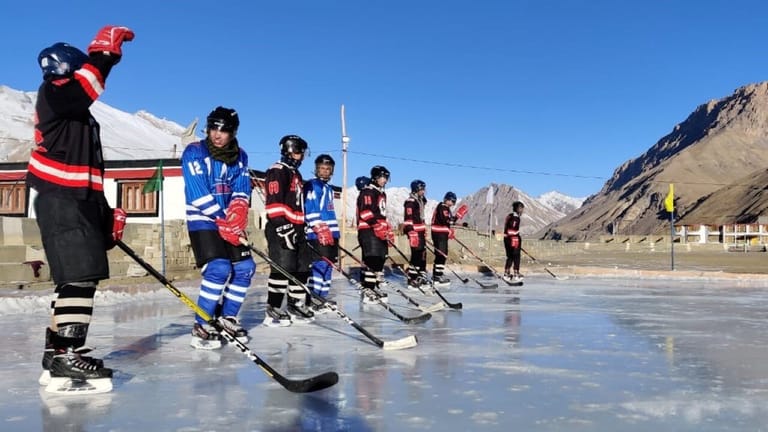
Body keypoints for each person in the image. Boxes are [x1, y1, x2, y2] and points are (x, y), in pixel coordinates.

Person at [28, 26, 134, 390]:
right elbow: (81, 92)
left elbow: (88, 171)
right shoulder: (56, 95)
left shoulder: (78, 114)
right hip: (61, 198)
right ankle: (67, 355)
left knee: (74, 277)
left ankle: (55, 351)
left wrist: (104, 216)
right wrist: (102, 56)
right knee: (80, 275)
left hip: (77, 199)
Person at [182, 106, 256, 349]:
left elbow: (242, 188)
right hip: (203, 219)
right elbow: (197, 193)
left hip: (228, 222)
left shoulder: (241, 156)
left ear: (233, 132)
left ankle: (227, 318)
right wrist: (223, 219)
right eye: (213, 127)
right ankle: (202, 324)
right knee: (219, 268)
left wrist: (237, 214)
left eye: (223, 130)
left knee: (245, 267)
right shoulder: (195, 152)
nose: (217, 134)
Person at [264, 135, 314, 326]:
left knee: (302, 267)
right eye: (300, 152)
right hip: (281, 227)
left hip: (298, 227)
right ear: (290, 150)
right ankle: (273, 308)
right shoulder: (278, 171)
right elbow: (274, 203)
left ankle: (295, 304)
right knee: (282, 268)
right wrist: (282, 227)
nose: (302, 157)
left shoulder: (295, 174)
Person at [303, 154, 340, 311]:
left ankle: (322, 298)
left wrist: (333, 232)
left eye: (328, 169)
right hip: (318, 234)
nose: (324, 172)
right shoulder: (312, 185)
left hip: (331, 233)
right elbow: (310, 208)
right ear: (316, 169)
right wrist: (318, 227)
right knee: (319, 265)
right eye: (321, 168)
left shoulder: (328, 188)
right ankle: (314, 298)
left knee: (328, 266)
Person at [356, 166, 393, 302]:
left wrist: (387, 228)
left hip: (379, 232)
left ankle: (374, 286)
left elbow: (381, 215)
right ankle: (369, 290)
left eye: (386, 178)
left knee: (380, 259)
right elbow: (365, 212)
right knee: (371, 260)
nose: (384, 180)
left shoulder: (381, 193)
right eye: (382, 177)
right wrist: (377, 225)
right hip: (368, 231)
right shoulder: (368, 191)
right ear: (375, 177)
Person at [403, 180, 428, 288]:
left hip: (420, 231)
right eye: (422, 189)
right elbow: (408, 218)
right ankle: (412, 278)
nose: (424, 191)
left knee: (421, 254)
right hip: (414, 232)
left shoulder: (420, 201)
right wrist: (411, 232)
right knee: (416, 254)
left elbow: (421, 218)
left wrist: (424, 229)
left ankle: (418, 276)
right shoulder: (411, 202)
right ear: (416, 189)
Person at [430, 191, 458, 285]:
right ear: (447, 199)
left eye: (454, 201)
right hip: (439, 233)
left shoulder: (445, 208)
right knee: (441, 254)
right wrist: (457, 217)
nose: (453, 203)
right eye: (452, 201)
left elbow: (447, 222)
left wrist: (449, 231)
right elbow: (446, 221)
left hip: (441, 233)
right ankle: (437, 276)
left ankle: (437, 275)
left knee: (441, 254)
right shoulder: (443, 207)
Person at [503, 201, 525, 282]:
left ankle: (506, 273)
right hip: (513, 239)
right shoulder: (515, 218)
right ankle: (516, 274)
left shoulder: (509, 216)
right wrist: (516, 237)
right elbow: (511, 230)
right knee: (516, 256)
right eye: (521, 208)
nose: (522, 210)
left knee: (510, 256)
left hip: (507, 239)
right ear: (517, 208)